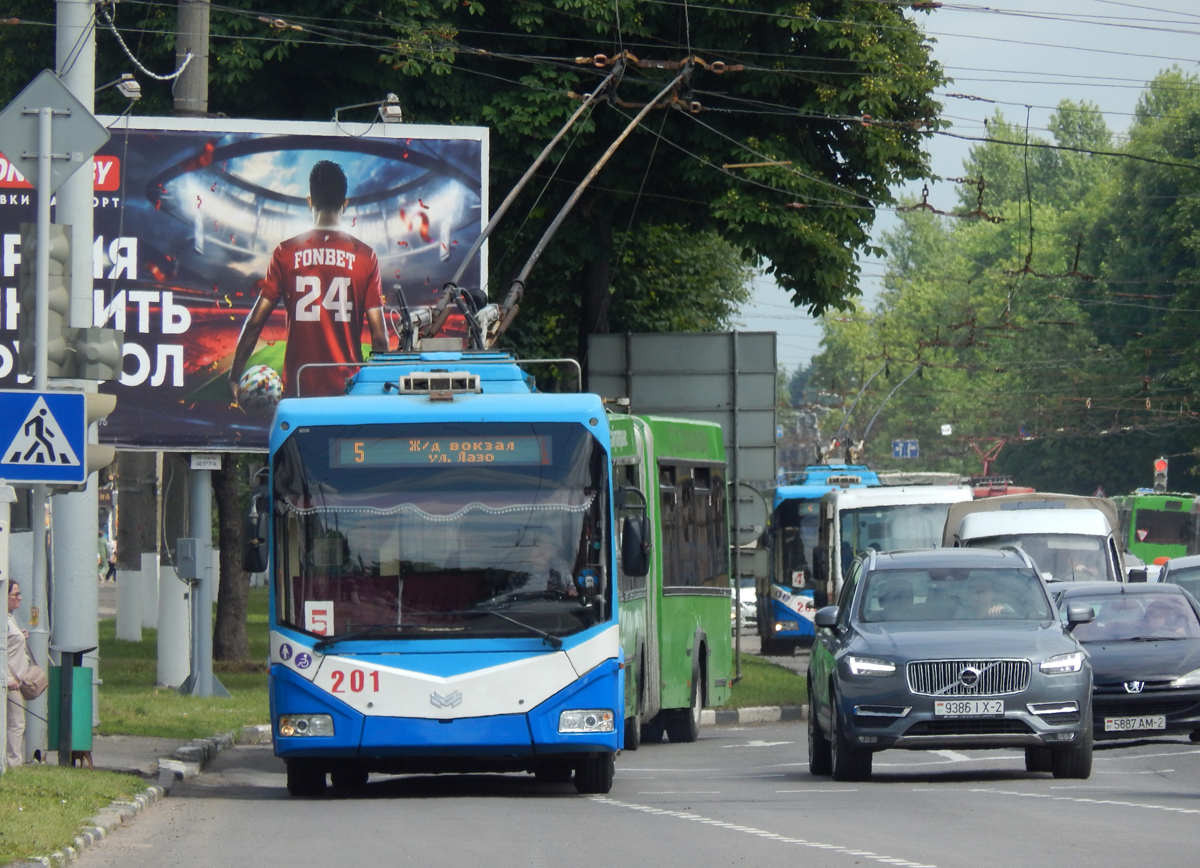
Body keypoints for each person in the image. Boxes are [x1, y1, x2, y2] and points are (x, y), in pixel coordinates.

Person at [227, 160, 389, 401]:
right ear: (345, 204)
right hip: (348, 392)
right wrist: (378, 387)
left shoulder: (286, 252)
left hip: (299, 392)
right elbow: (379, 337)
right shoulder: (366, 256)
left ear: (310, 201)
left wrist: (234, 376)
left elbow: (254, 323)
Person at [6, 581, 29, 767]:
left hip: (16, 679)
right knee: (16, 723)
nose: (19, 597)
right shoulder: (3, 620)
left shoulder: (8, 617)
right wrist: (7, 678)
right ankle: (13, 763)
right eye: (15, 594)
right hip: (10, 681)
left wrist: (20, 636)